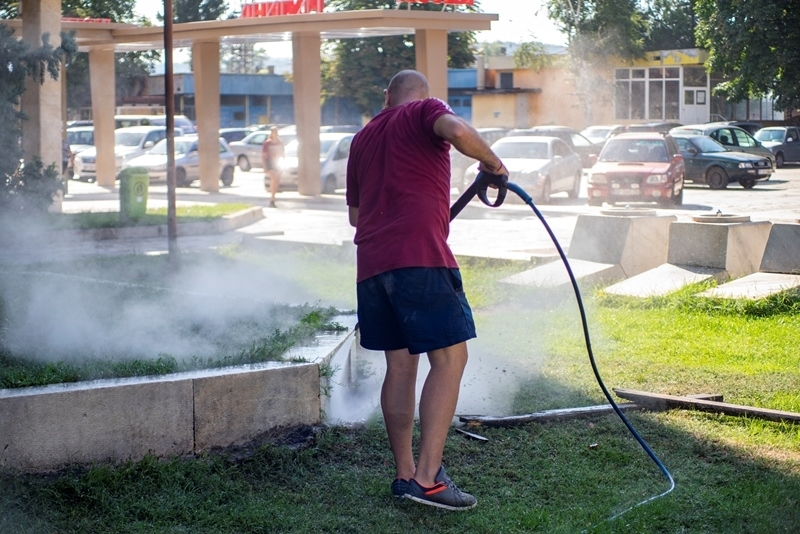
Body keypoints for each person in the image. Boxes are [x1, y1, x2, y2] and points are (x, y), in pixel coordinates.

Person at [345, 70, 508, 511]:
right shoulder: (425, 111)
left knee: (400, 368)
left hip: (373, 266)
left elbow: (357, 217)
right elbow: (456, 131)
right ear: (424, 97)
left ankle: (404, 475)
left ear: (386, 96)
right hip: (419, 257)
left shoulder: (361, 139)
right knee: (451, 357)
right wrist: (493, 165)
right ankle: (429, 479)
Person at [261, 126, 284, 207]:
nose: (275, 133)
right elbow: (263, 156)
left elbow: (282, 154)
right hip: (269, 163)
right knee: (274, 178)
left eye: (276, 132)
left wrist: (283, 165)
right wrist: (264, 167)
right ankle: (272, 198)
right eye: (273, 132)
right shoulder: (267, 143)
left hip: (277, 163)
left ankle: (273, 198)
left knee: (276, 181)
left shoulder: (280, 143)